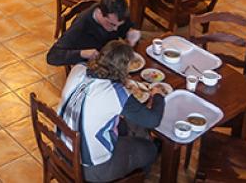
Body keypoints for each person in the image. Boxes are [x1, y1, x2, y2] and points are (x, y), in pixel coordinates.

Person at [57, 40, 166, 181]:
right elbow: (153, 120)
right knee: (150, 149)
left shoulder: (78, 68)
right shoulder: (116, 93)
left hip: (62, 149)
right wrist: (158, 95)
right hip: (92, 169)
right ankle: (137, 178)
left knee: (124, 125)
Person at [47, 0, 140, 66]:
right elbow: (52, 56)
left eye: (119, 25)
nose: (115, 29)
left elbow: (124, 27)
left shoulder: (117, 14)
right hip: (91, 64)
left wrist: (130, 31)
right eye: (112, 24)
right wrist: (82, 53)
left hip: (110, 56)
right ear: (100, 13)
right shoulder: (81, 26)